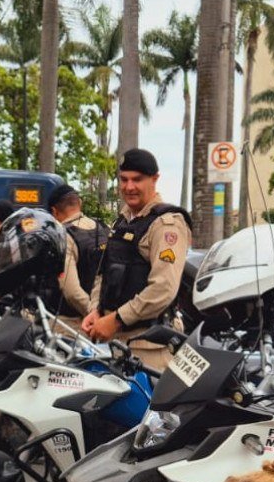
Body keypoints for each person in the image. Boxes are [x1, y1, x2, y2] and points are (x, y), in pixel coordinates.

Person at [81, 149, 192, 372]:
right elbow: (104, 274)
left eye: (137, 180)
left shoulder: (166, 224)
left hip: (151, 347)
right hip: (118, 343)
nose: (129, 187)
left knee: (146, 406)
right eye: (124, 179)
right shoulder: (122, 222)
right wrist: (96, 311)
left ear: (155, 179)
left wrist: (116, 320)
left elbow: (163, 289)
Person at [48, 183, 104, 319]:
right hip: (108, 319)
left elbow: (72, 292)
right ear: (80, 203)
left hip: (74, 323)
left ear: (54, 211)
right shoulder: (104, 228)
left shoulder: (64, 236)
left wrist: (94, 315)